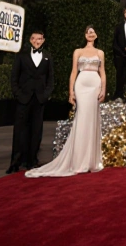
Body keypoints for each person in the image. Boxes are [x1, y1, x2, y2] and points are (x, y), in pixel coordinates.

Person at [27, 26, 105, 177]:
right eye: (88, 32)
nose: (90, 34)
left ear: (96, 35)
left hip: (95, 86)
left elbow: (103, 72)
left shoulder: (100, 52)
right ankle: (78, 161)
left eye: (93, 32)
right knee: (81, 119)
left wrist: (103, 89)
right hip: (81, 85)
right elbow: (74, 72)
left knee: (92, 121)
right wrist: (71, 91)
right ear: (84, 35)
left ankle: (91, 161)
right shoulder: (78, 51)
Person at [7, 30, 55, 173]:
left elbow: (50, 78)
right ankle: (15, 162)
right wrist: (18, 94)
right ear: (30, 40)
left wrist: (46, 94)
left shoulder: (47, 57)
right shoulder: (21, 56)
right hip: (24, 98)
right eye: (34, 38)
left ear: (43, 40)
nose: (37, 41)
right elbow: (14, 77)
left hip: (39, 99)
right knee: (20, 130)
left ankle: (32, 160)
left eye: (39, 39)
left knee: (36, 131)